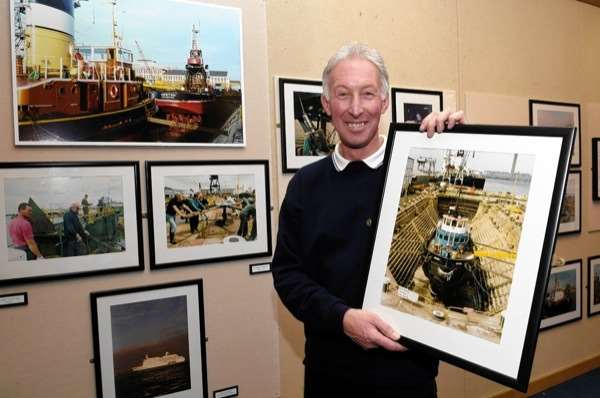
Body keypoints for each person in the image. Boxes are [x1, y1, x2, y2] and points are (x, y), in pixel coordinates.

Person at [271, 42, 464, 398]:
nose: (356, 109)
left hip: (407, 379)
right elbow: (287, 275)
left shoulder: (416, 174)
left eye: (368, 94)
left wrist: (455, 139)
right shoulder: (305, 186)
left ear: (384, 102)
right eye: (343, 95)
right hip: (329, 376)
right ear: (327, 104)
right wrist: (342, 319)